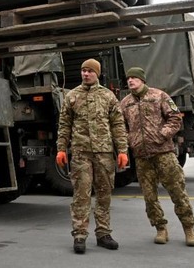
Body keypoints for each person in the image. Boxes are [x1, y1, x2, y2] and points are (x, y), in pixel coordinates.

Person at [55, 58, 129, 254]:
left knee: (104, 194)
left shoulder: (108, 96)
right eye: (83, 71)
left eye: (90, 71)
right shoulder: (72, 96)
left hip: (104, 153)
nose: (85, 74)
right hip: (81, 153)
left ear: (97, 73)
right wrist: (61, 148)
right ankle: (79, 235)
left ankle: (103, 233)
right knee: (81, 195)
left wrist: (122, 151)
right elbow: (64, 125)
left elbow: (118, 125)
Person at [119, 67, 194, 246]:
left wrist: (162, 134)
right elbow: (120, 126)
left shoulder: (159, 96)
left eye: (134, 78)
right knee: (149, 196)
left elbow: (176, 118)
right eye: (128, 78)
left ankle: (189, 228)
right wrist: (129, 140)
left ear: (142, 80)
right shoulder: (125, 103)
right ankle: (160, 228)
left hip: (164, 154)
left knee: (177, 191)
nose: (130, 81)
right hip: (141, 156)